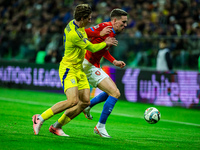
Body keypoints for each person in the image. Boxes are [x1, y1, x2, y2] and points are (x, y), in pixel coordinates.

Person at [32, 4, 118, 136]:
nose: (90, 21)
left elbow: (87, 33)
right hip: (69, 68)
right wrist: (106, 42)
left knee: (85, 102)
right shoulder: (75, 34)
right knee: (72, 101)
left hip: (79, 69)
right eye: (88, 18)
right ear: (82, 18)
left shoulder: (74, 24)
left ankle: (56, 127)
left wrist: (98, 33)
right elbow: (93, 48)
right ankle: (40, 118)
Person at [82, 8, 128, 138]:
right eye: (123, 22)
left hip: (94, 65)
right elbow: (81, 34)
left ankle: (89, 107)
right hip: (86, 64)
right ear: (114, 20)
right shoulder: (104, 27)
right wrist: (98, 34)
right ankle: (100, 126)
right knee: (114, 93)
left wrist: (114, 61)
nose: (125, 25)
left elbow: (103, 48)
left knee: (113, 92)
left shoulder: (111, 32)